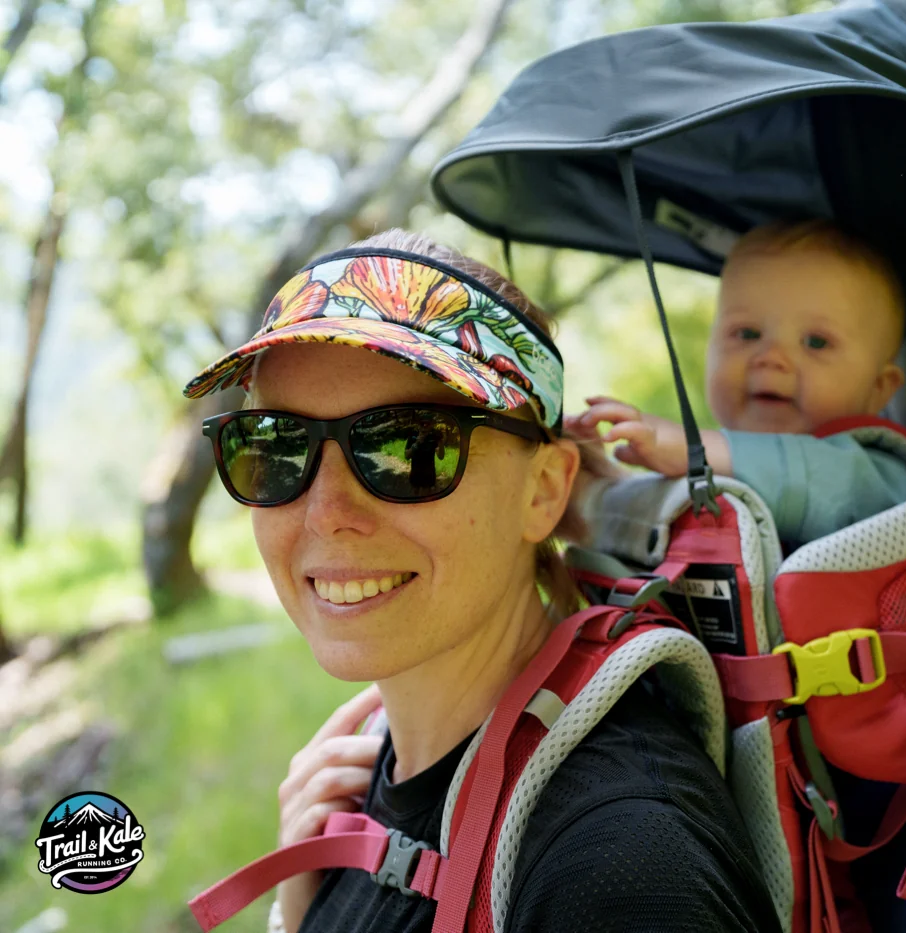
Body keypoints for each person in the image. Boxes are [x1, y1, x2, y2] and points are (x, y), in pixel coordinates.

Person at [185, 229, 782, 933]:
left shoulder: (621, 867)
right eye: (275, 448)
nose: (326, 513)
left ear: (544, 489)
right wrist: (300, 908)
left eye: (409, 447)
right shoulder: (354, 792)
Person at [569, 220, 906, 932]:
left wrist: (697, 448)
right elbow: (677, 525)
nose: (773, 359)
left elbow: (815, 484)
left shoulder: (881, 472)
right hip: (760, 754)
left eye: (816, 343)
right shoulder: (721, 478)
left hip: (899, 765)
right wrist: (608, 485)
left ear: (880, 387)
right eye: (746, 334)